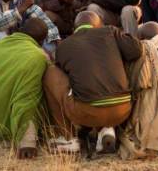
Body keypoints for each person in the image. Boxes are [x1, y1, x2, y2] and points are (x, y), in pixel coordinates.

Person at [43, 11, 142, 154]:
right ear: (100, 25)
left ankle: (66, 137)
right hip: (123, 110)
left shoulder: (65, 45)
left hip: (87, 112)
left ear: (74, 28)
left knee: (51, 72)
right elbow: (136, 50)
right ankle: (107, 129)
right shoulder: (109, 32)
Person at [0, 18, 49, 159]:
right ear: (42, 41)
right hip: (9, 129)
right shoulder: (37, 56)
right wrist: (28, 141)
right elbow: (26, 100)